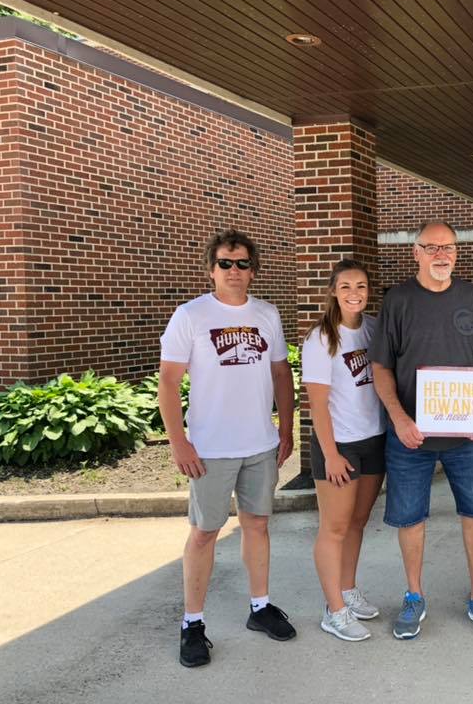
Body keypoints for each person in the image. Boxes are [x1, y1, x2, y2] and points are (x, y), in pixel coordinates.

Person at [159, 229, 296, 668]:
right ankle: (192, 623)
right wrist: (178, 441)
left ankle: (260, 608)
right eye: (225, 263)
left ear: (253, 270)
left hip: (259, 443)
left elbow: (280, 375)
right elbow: (168, 381)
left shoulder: (267, 314)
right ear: (210, 268)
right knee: (204, 533)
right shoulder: (191, 315)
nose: (234, 271)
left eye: (242, 263)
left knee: (257, 526)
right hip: (210, 448)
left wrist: (287, 428)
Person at [369, 221, 473, 640]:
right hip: (411, 435)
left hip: (467, 437)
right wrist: (398, 418)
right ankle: (414, 595)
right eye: (431, 248)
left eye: (448, 247)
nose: (441, 255)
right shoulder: (398, 299)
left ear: (457, 253)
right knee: (410, 517)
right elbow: (381, 367)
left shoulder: (470, 297)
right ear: (416, 253)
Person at [301, 260, 386, 642]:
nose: (355, 293)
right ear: (334, 290)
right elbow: (317, 404)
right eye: (347, 286)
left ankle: (348, 589)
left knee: (357, 523)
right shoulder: (321, 338)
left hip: (374, 438)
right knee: (334, 528)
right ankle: (333, 609)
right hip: (341, 445)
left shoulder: (371, 329)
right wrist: (331, 453)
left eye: (362, 286)